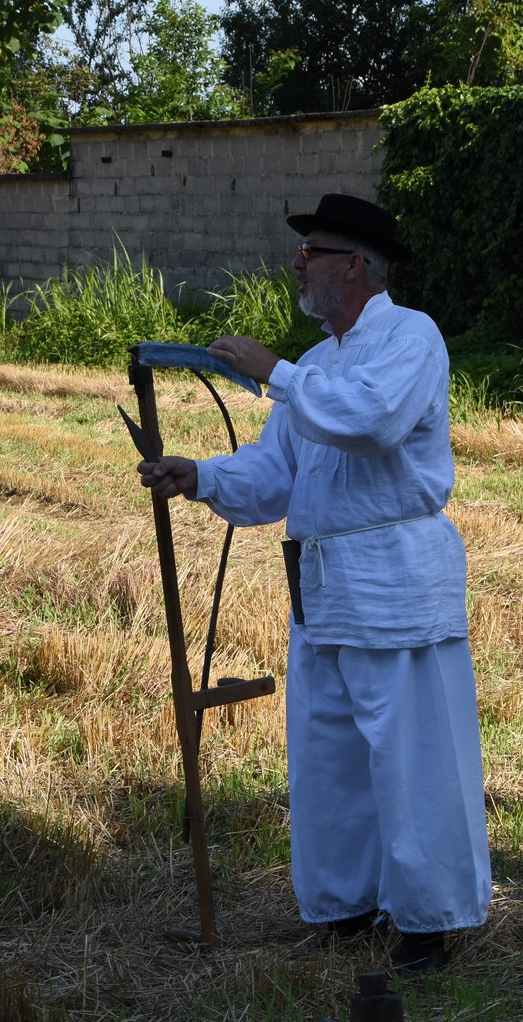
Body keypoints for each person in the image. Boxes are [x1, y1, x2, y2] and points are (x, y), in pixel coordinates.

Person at [138, 193, 491, 974]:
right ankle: (345, 907)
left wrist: (276, 373)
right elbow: (277, 474)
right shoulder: (318, 366)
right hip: (323, 589)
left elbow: (371, 421)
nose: (298, 263)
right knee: (328, 757)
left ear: (356, 265)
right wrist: (201, 476)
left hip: (396, 585)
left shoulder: (410, 337)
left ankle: (425, 923)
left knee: (411, 756)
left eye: (313, 250)